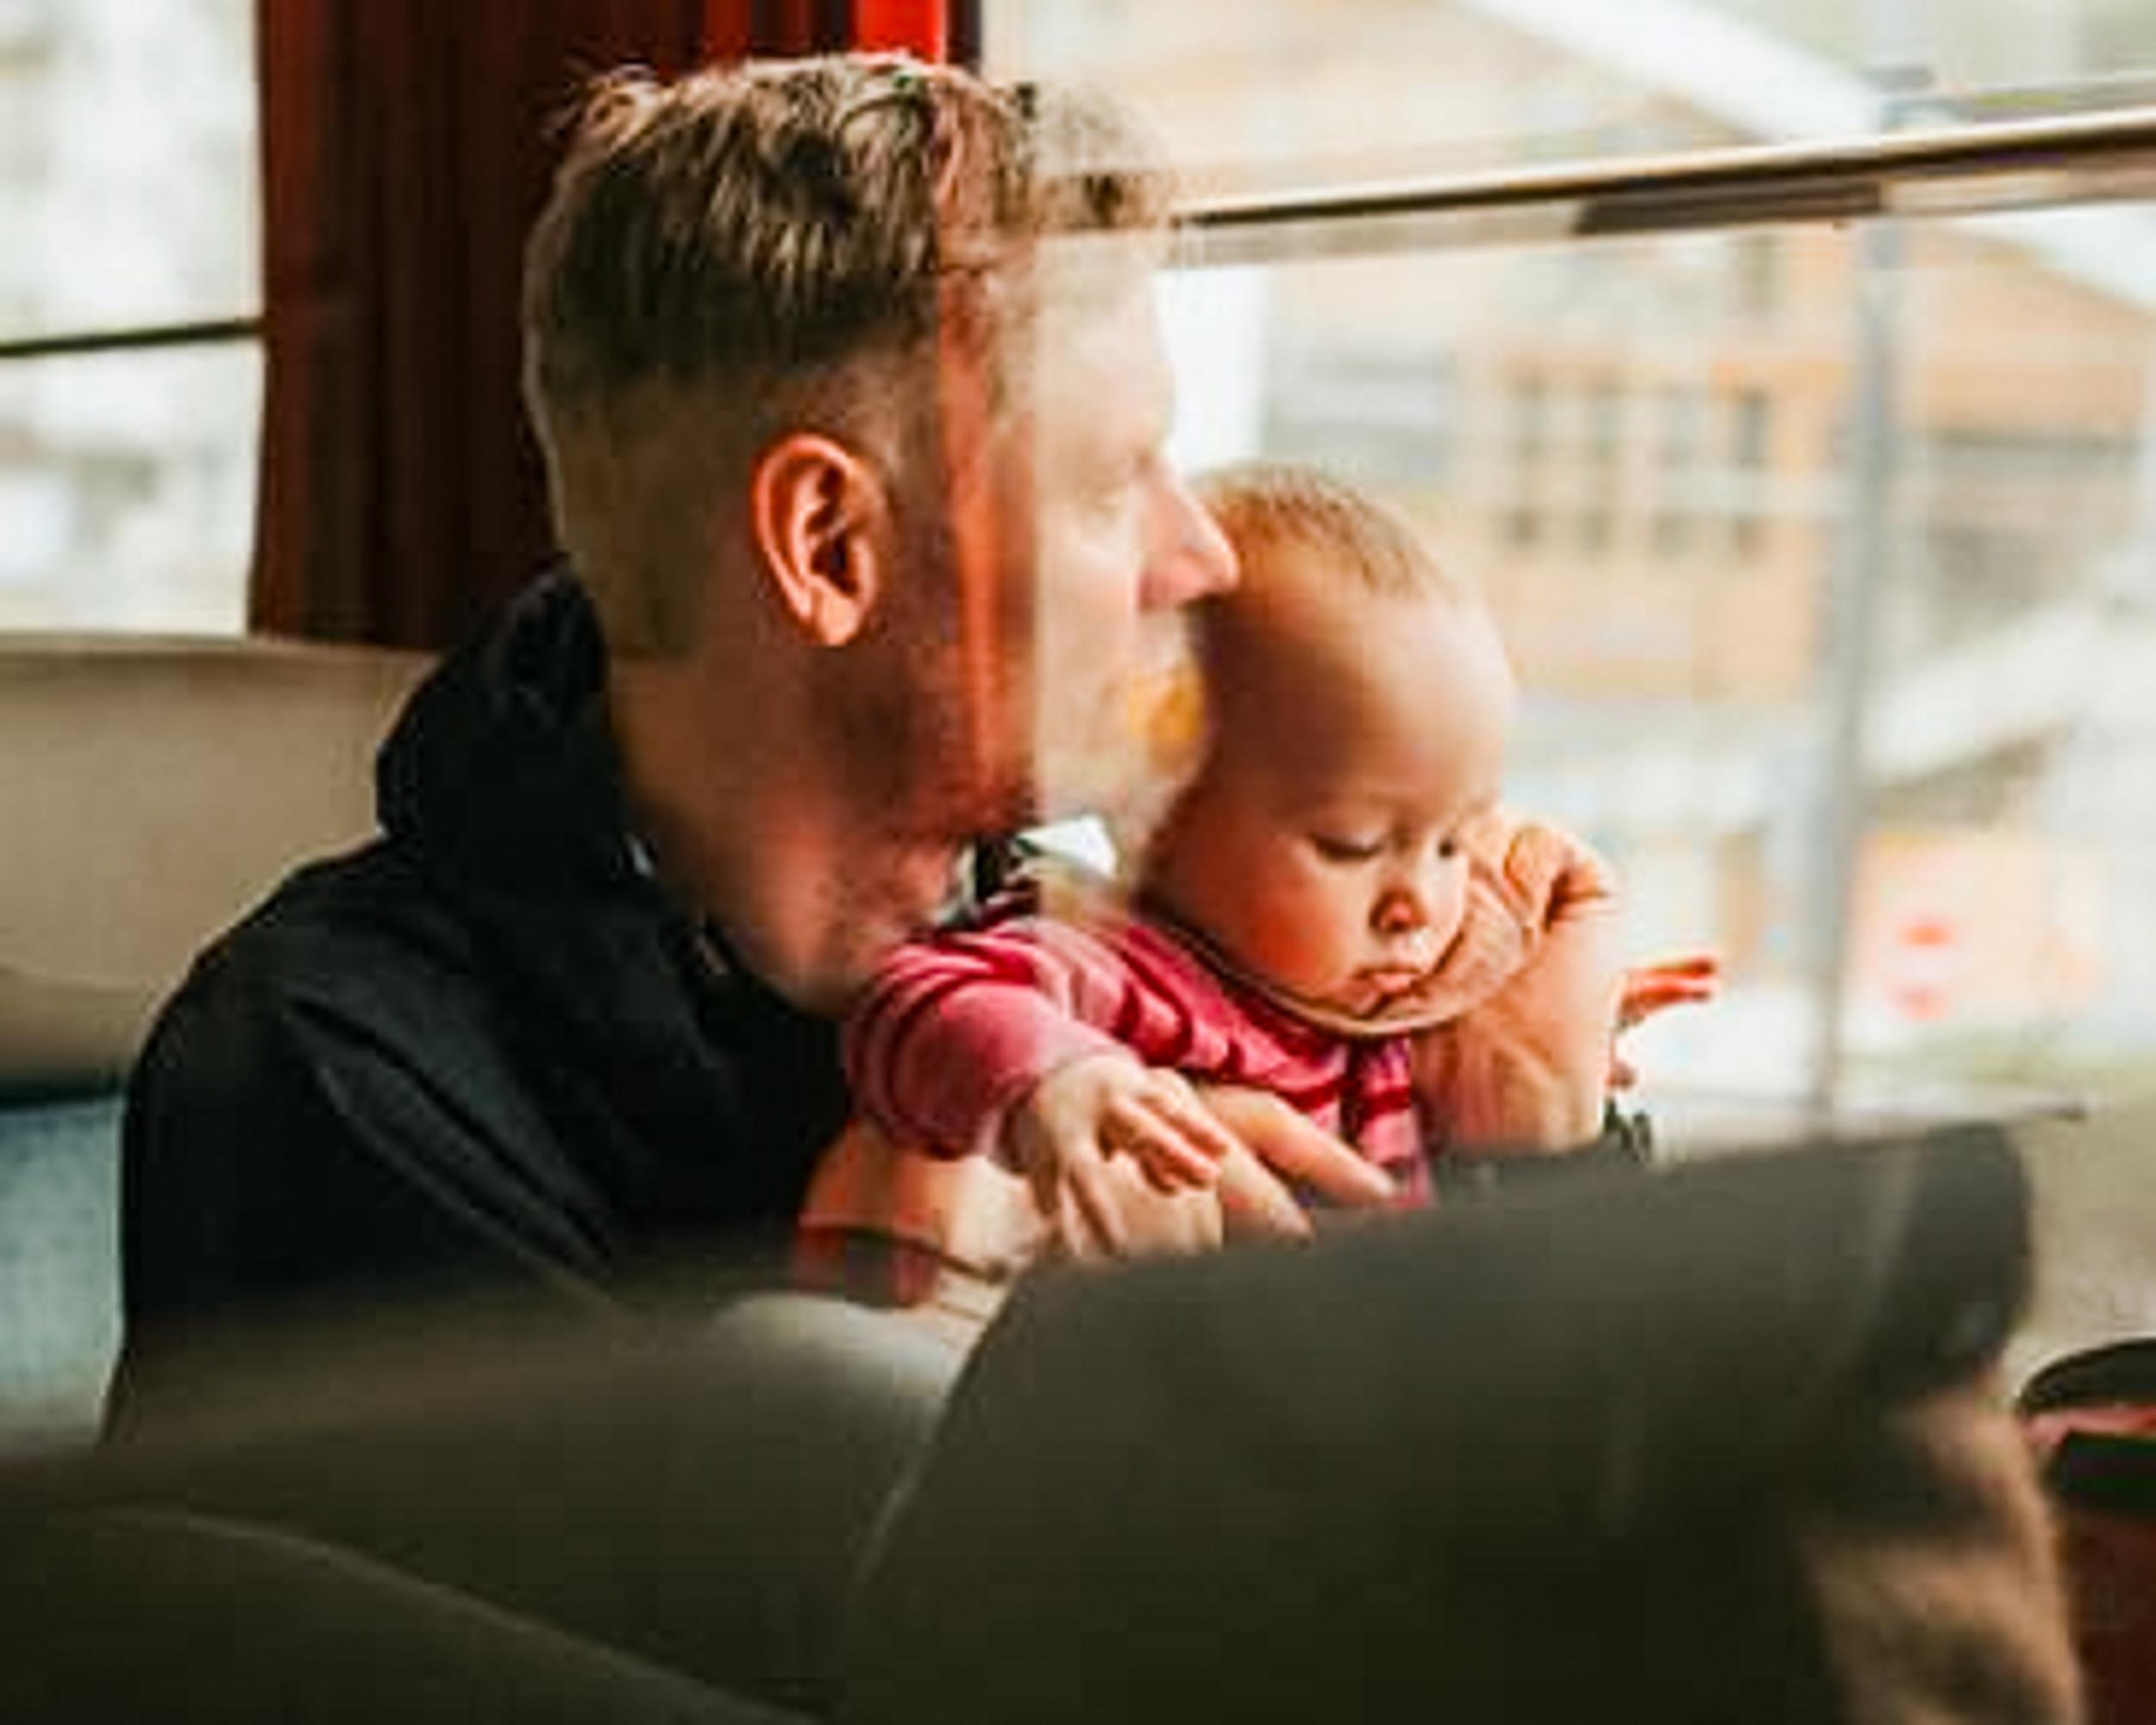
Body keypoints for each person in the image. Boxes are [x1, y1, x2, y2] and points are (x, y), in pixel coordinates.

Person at [110, 55, 1638, 1427]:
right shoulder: (331, 1078)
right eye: (1112, 482)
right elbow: (686, 1617)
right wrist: (1056, 1343)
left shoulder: (1114, 954)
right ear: (830, 545)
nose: (1202, 557)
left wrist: (1533, 1142)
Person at [803, 463, 1711, 1289]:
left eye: (1452, 843)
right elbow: (913, 1003)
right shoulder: (1114, 965)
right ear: (1149, 802)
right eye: (1352, 845)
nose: (1417, 905)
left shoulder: (1376, 1020)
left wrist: (1551, 1064)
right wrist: (1059, 1082)